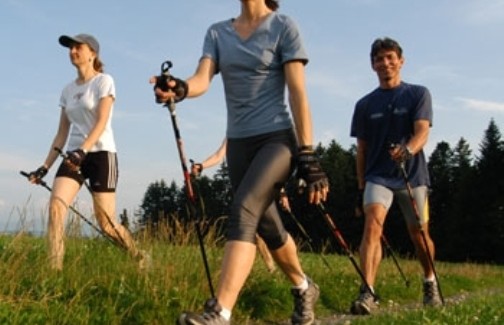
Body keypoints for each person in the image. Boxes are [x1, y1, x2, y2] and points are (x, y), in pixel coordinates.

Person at [152, 0, 329, 324]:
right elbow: (203, 79)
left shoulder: (283, 27)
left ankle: (220, 311)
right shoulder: (218, 33)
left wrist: (308, 153)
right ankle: (304, 287)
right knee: (270, 228)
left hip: (276, 140)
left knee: (244, 208)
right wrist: (180, 88)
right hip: (239, 145)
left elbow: (297, 92)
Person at [27, 33, 148, 271]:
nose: (72, 51)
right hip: (73, 154)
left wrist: (83, 150)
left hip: (101, 154)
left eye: (77, 47)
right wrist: (45, 167)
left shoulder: (104, 81)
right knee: (56, 208)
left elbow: (101, 121)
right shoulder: (68, 90)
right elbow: (61, 132)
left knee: (106, 223)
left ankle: (138, 256)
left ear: (92, 53)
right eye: (70, 48)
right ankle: (54, 271)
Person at [349, 37, 441, 315]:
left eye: (390, 57)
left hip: (412, 177)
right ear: (372, 65)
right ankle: (368, 291)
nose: (385, 63)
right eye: (379, 59)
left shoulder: (418, 94)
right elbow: (361, 150)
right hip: (378, 176)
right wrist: (361, 185)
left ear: (401, 61)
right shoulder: (364, 104)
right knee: (372, 226)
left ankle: (430, 281)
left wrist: (408, 150)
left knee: (419, 232)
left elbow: (422, 132)